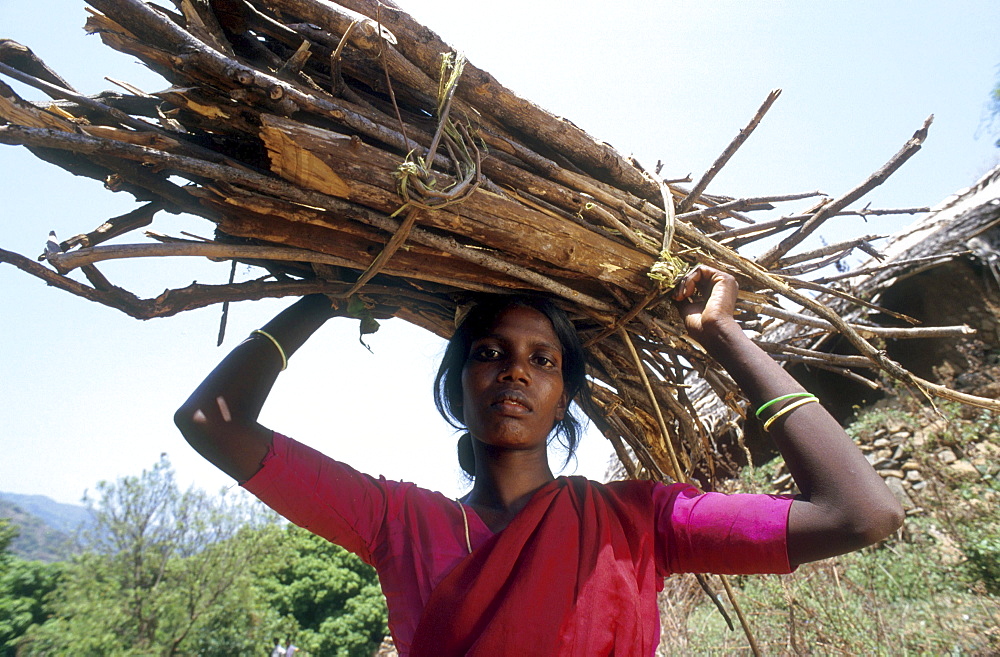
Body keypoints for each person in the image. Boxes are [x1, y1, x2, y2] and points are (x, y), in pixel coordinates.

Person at [175, 266, 904, 656]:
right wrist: (322, 300)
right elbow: (213, 421)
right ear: (457, 391)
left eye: (542, 360)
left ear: (564, 400)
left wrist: (723, 334)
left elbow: (860, 513)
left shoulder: (641, 519)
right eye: (488, 354)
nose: (515, 371)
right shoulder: (397, 519)